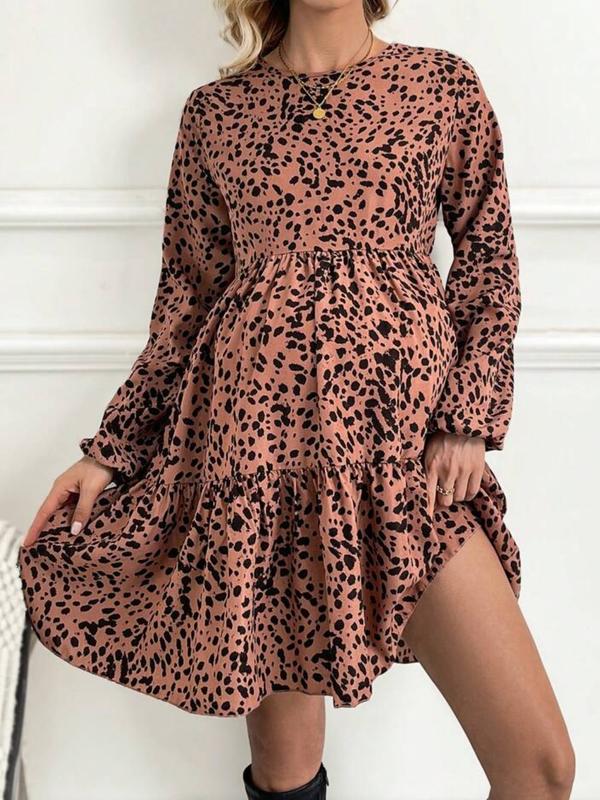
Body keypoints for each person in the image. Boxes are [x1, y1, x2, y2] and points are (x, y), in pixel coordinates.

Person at [19, 1, 575, 798]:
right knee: (287, 778)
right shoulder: (216, 114)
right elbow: (185, 309)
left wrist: (466, 421)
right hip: (256, 468)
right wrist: (109, 452)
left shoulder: (440, 84)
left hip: (402, 459)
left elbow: (489, 264)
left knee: (539, 767)